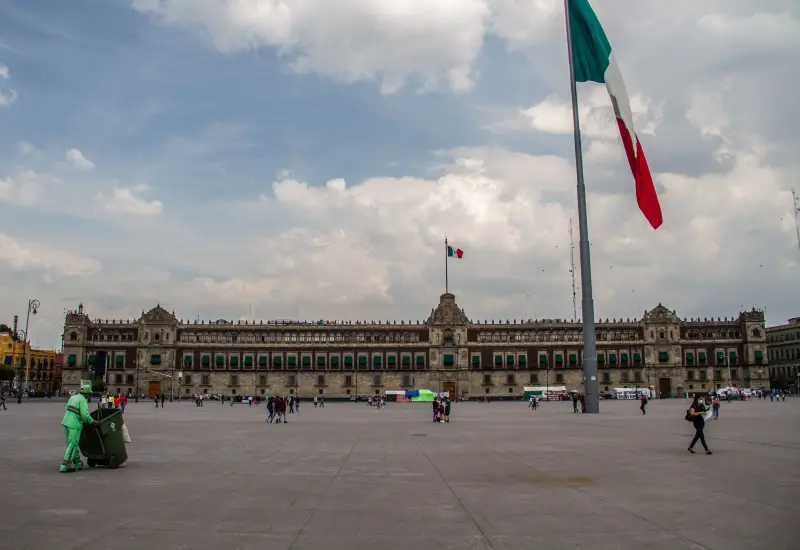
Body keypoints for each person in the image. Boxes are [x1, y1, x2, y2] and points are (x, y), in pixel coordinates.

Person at [60, 384, 100, 473]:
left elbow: (67, 408)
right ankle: (64, 465)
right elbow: (85, 415)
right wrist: (93, 421)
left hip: (66, 421)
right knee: (73, 444)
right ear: (86, 393)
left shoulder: (73, 397)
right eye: (89, 394)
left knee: (72, 443)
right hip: (75, 424)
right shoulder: (83, 400)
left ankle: (77, 462)